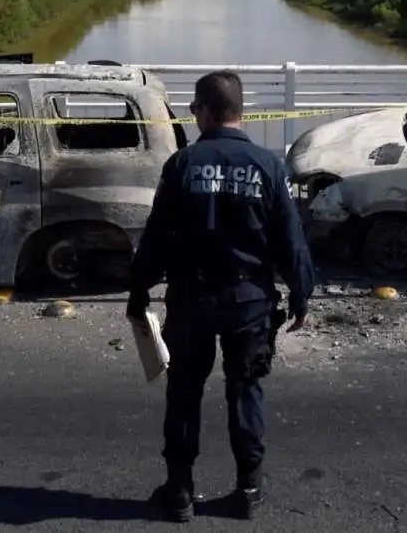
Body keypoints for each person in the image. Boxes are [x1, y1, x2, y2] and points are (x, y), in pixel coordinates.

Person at [127, 70, 316, 522]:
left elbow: (156, 238)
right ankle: (248, 489)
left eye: (194, 109)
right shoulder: (268, 166)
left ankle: (179, 491)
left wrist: (139, 291)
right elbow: (291, 239)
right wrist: (302, 293)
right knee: (244, 390)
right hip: (249, 301)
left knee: (185, 391)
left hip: (191, 299)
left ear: (206, 111)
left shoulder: (183, 165)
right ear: (240, 112)